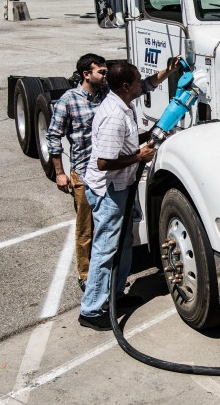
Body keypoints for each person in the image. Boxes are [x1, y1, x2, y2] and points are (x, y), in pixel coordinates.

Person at [47, 54, 177, 294]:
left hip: (110, 174)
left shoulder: (109, 95)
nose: (106, 76)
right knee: (87, 230)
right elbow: (53, 137)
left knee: (110, 234)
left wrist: (168, 71)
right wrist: (59, 173)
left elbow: (144, 85)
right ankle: (87, 277)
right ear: (86, 74)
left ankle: (111, 285)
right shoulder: (69, 100)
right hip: (85, 173)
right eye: (101, 72)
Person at [78, 61, 175, 331]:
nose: (139, 85)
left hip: (122, 184)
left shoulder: (122, 100)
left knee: (122, 243)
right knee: (105, 249)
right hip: (108, 189)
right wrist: (139, 156)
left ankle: (116, 295)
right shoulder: (113, 116)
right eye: (135, 82)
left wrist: (167, 72)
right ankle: (91, 310)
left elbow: (146, 86)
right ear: (124, 86)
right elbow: (103, 163)